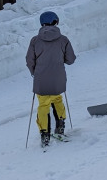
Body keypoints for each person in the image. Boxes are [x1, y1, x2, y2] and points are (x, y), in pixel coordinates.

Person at [26, 11, 76, 147]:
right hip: (58, 78)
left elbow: (29, 60)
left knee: (43, 104)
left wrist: (34, 72)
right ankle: (60, 127)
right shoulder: (63, 39)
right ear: (55, 22)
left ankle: (44, 134)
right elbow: (71, 59)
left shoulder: (35, 40)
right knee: (57, 99)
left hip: (41, 79)